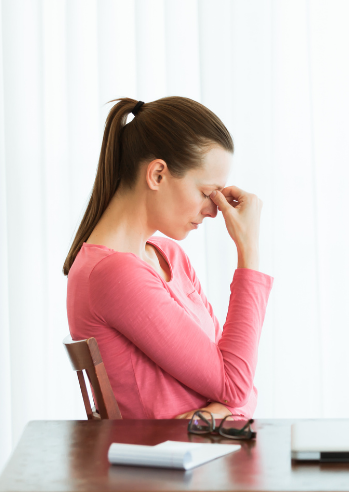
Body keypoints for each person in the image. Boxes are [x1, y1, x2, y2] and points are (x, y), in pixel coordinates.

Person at [64, 96, 273, 420]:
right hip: (166, 468)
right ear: (158, 175)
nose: (214, 210)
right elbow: (235, 386)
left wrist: (207, 417)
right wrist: (249, 251)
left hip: (204, 458)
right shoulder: (113, 273)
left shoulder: (170, 255)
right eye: (206, 193)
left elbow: (240, 381)